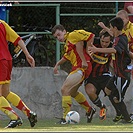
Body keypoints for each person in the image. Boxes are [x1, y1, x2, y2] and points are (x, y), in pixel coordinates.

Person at [88, 17, 133, 123]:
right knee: (108, 90)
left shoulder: (121, 39)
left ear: (115, 28)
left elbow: (114, 50)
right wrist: (104, 27)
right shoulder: (119, 37)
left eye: (111, 27)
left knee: (117, 98)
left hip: (122, 75)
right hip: (117, 74)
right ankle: (120, 112)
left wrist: (96, 49)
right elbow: (113, 34)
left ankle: (127, 118)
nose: (110, 30)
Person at [52, 24, 96, 124]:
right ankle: (89, 110)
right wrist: (57, 64)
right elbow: (66, 56)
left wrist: (89, 49)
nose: (58, 38)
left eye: (59, 35)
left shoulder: (73, 35)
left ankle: (65, 118)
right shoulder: (67, 43)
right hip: (77, 68)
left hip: (82, 67)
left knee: (64, 89)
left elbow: (91, 35)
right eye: (56, 37)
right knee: (72, 92)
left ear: (64, 31)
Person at [0, 19, 37, 128]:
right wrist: (27, 54)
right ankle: (29, 113)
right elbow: (18, 39)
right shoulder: (2, 23)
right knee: (6, 92)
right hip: (7, 60)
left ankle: (14, 118)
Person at [84, 29, 113, 121]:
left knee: (113, 92)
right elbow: (79, 43)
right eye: (102, 41)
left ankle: (121, 114)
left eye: (107, 42)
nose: (104, 44)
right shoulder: (92, 42)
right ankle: (102, 107)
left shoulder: (113, 47)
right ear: (99, 38)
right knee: (89, 91)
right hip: (91, 75)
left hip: (104, 74)